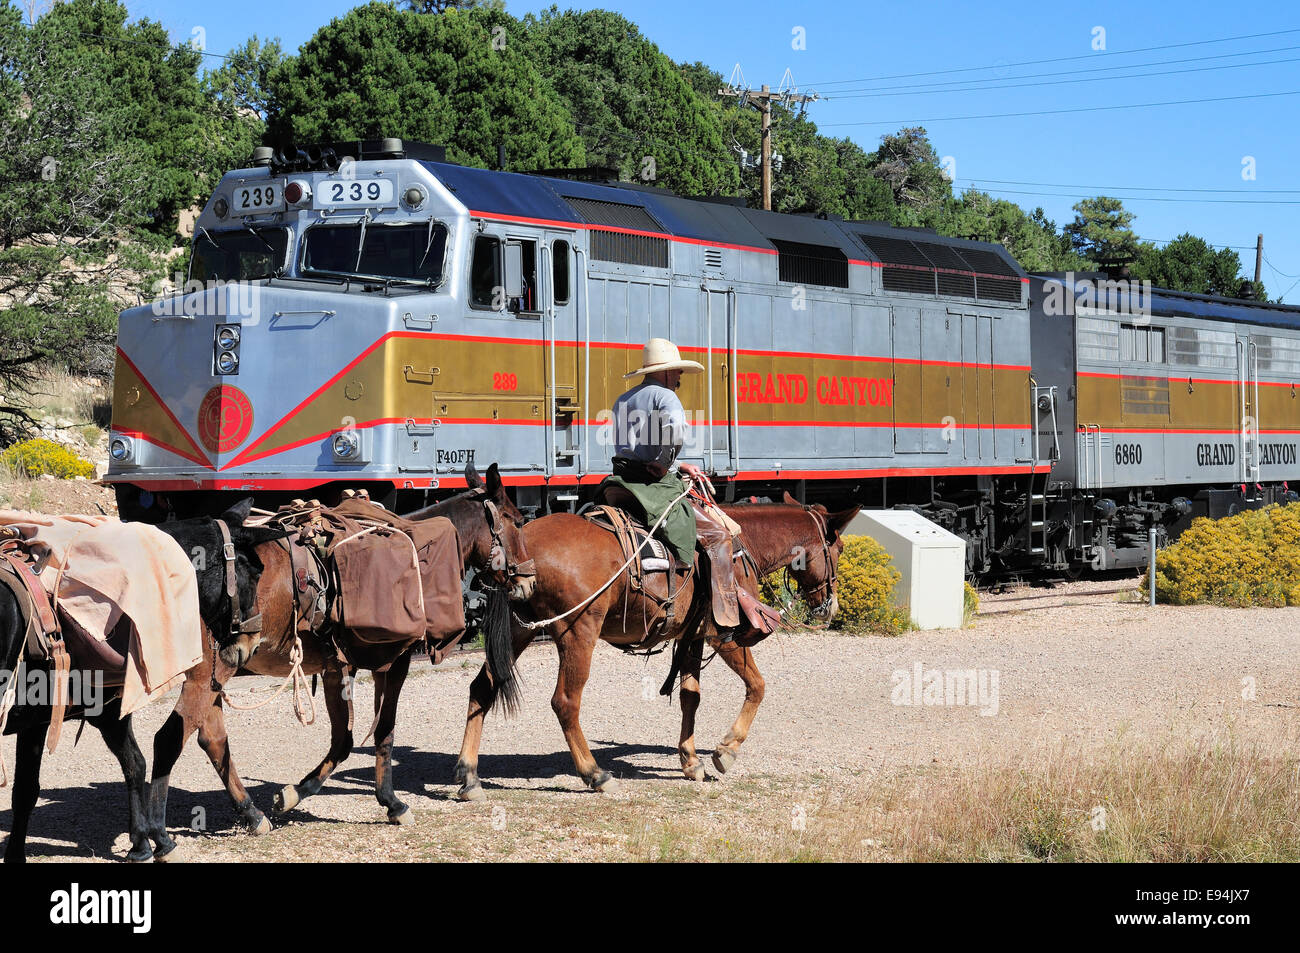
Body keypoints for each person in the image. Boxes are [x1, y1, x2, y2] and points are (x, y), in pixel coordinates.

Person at [600, 338, 777, 638]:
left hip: (619, 484)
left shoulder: (623, 399)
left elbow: (631, 449)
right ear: (666, 372)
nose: (680, 377)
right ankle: (725, 619)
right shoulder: (666, 397)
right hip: (653, 487)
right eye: (677, 371)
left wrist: (676, 466)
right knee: (719, 535)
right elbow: (676, 430)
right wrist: (665, 461)